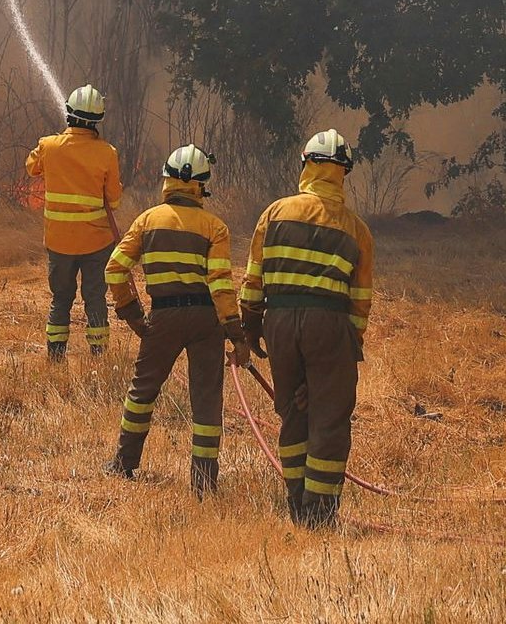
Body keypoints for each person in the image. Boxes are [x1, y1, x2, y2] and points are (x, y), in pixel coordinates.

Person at [238, 126, 373, 525]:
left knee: (292, 414)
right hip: (329, 324)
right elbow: (360, 299)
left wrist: (251, 325)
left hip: (278, 322)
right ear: (343, 172)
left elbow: (253, 276)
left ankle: (296, 503)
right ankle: (320, 514)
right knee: (329, 417)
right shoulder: (356, 230)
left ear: (306, 166)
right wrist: (348, 345)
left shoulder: (275, 213)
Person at [104, 144, 238, 491]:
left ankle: (123, 463)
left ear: (167, 180)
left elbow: (116, 269)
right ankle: (204, 483)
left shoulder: (147, 220)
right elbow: (221, 285)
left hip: (162, 316)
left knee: (143, 390)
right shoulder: (215, 227)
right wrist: (235, 331)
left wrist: (132, 314)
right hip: (206, 319)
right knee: (207, 400)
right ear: (202, 186)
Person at [23, 85, 127, 359]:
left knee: (61, 299)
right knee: (95, 299)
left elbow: (31, 167)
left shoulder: (49, 145)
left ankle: (56, 356)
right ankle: (99, 355)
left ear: (68, 114)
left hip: (59, 243)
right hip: (96, 243)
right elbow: (113, 201)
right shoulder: (107, 152)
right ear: (98, 121)